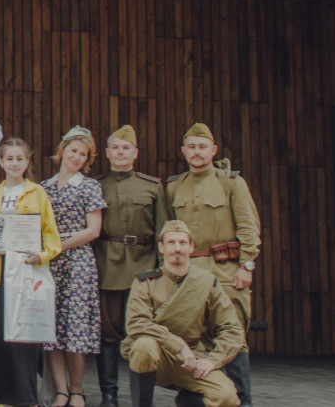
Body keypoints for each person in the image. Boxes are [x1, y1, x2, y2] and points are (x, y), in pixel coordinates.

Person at [165, 124, 261, 407]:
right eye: (191, 147)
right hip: (189, 273)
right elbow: (168, 233)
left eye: (202, 147)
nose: (197, 152)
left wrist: (246, 265)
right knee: (192, 334)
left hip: (225, 270)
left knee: (234, 332)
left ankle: (243, 399)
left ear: (214, 150)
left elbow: (248, 227)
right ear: (183, 151)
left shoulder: (231, 183)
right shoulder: (174, 186)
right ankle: (195, 394)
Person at [0, 138, 62, 407]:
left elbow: (50, 233)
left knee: (22, 338)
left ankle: (26, 399)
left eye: (19, 159)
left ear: (27, 162)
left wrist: (43, 255)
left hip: (26, 272)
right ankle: (3, 398)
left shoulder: (37, 193)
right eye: (9, 159)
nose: (14, 163)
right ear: (0, 161)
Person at [122, 221, 244, 407]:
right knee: (142, 346)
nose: (177, 248)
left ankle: (189, 400)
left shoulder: (206, 282)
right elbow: (137, 324)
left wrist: (212, 361)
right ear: (161, 247)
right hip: (158, 355)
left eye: (182, 243)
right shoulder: (145, 282)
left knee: (226, 397)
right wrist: (178, 346)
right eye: (171, 243)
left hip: (193, 358)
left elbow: (232, 329)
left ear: (191, 247)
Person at [93, 125, 168, 407]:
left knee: (142, 334)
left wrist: (163, 272)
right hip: (107, 267)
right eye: (115, 148)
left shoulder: (152, 186)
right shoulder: (96, 185)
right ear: (107, 153)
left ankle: (142, 399)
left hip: (143, 268)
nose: (120, 153)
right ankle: (109, 396)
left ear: (135, 153)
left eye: (126, 148)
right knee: (108, 336)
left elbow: (163, 230)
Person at [40, 127, 108, 407]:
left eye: (83, 154)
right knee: (53, 328)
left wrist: (59, 246)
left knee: (75, 328)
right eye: (73, 151)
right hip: (50, 264)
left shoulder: (89, 186)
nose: (77, 157)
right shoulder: (43, 187)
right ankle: (61, 391)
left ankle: (77, 389)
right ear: (62, 151)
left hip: (78, 261)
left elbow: (93, 230)